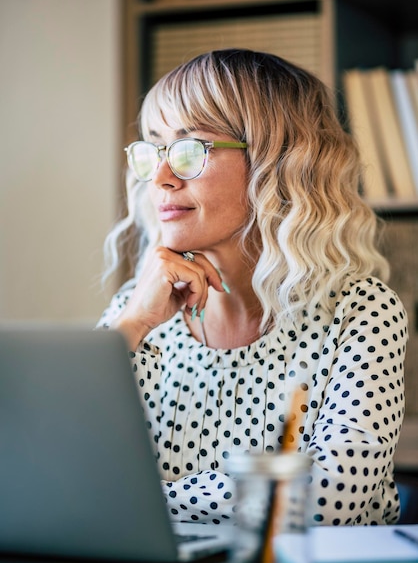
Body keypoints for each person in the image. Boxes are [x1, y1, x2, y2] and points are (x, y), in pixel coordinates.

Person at [98, 48, 408, 528]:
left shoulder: (361, 313)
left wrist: (139, 502)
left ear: (277, 163)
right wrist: (132, 326)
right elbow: (65, 468)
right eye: (154, 150)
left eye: (188, 150)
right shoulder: (135, 311)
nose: (159, 179)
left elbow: (330, 497)